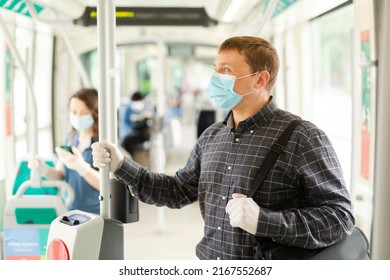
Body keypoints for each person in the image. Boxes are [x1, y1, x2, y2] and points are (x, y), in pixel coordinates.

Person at [92, 36, 355, 259]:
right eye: (216, 69)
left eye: (226, 70)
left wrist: (265, 221)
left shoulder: (302, 137)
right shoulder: (212, 136)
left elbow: (339, 218)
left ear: (260, 79)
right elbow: (177, 191)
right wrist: (122, 166)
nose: (216, 77)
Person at [29, 88, 100, 214]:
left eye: (83, 113)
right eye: (73, 112)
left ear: (94, 113)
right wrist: (44, 169)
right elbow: (60, 174)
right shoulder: (70, 138)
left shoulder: (101, 143)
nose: (78, 117)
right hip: (71, 208)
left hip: (96, 211)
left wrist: (82, 168)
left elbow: (106, 185)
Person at [120, 91, 151, 157]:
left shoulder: (141, 109)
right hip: (129, 133)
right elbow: (125, 123)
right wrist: (130, 131)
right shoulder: (127, 109)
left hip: (138, 132)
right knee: (129, 141)